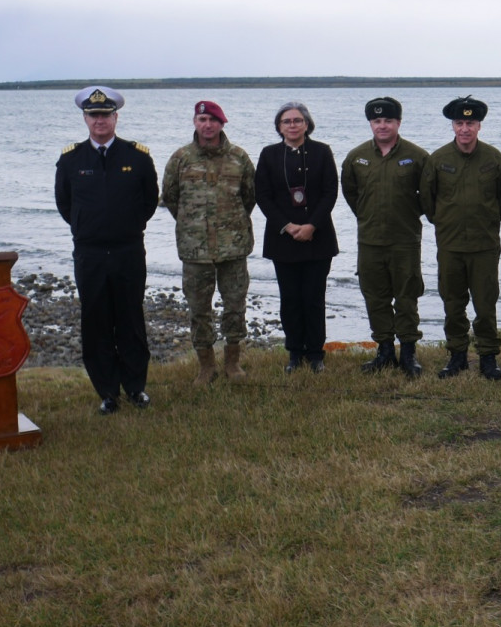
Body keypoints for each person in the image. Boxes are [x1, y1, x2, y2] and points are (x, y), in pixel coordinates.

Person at [55, 86, 159, 414]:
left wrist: (125, 227)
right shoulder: (71, 159)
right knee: (96, 320)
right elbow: (65, 204)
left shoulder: (138, 157)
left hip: (128, 250)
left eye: (105, 115)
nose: (99, 121)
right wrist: (88, 228)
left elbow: (148, 202)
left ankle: (135, 387)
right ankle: (107, 391)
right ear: (85, 118)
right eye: (93, 115)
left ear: (116, 117)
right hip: (90, 254)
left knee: (130, 318)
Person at [160, 101, 256, 385]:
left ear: (222, 124)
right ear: (195, 122)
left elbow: (249, 197)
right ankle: (206, 366)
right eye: (202, 119)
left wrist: (231, 224)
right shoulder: (181, 158)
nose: (208, 125)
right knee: (199, 310)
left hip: (233, 247)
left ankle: (233, 363)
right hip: (195, 249)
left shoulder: (239, 157)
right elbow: (171, 198)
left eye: (213, 120)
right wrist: (194, 225)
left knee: (235, 306)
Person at [419, 96, 501, 380]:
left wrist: (487, 220)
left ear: (479, 125)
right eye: (459, 123)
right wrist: (446, 223)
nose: (465, 129)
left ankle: (488, 357)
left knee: (485, 304)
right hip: (450, 245)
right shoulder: (438, 159)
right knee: (453, 303)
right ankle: (457, 356)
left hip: (484, 245)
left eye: (470, 123)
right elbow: (427, 199)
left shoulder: (494, 158)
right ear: (453, 125)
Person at [340, 97, 430, 377]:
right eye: (377, 121)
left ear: (398, 123)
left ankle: (409, 353)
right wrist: (369, 216)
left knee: (407, 296)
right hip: (370, 240)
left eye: (388, 120)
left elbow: (427, 197)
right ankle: (385, 351)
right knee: (375, 296)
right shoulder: (356, 157)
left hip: (405, 240)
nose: (382, 125)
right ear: (370, 123)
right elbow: (351, 194)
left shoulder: (417, 156)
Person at [255, 102, 340, 374]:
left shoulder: (322, 152)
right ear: (279, 127)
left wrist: (311, 225)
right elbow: (263, 196)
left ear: (307, 124)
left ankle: (316, 354)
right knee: (290, 298)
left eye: (297, 120)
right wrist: (288, 226)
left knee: (314, 297)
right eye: (286, 121)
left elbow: (330, 192)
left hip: (318, 237)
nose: (292, 125)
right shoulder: (268, 155)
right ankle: (295, 353)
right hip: (283, 238)